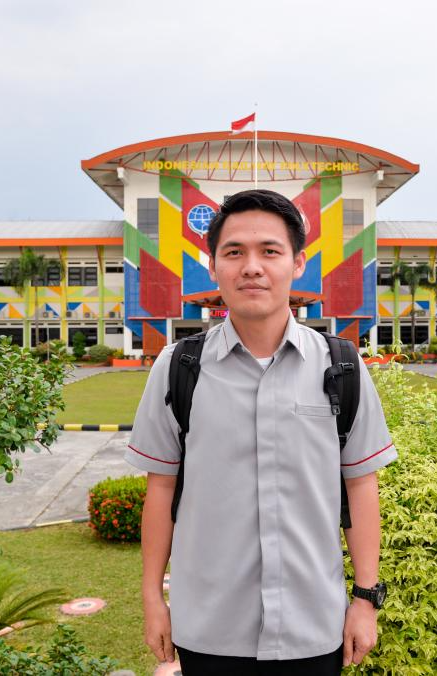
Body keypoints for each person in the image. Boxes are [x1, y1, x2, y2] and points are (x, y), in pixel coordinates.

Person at [125, 189, 397, 675]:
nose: (252, 267)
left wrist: (366, 599)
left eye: (270, 251)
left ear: (298, 263)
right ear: (213, 266)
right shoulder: (177, 368)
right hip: (209, 629)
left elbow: (361, 486)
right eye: (234, 252)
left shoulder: (342, 367)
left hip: (314, 627)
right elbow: (161, 489)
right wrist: (152, 599)